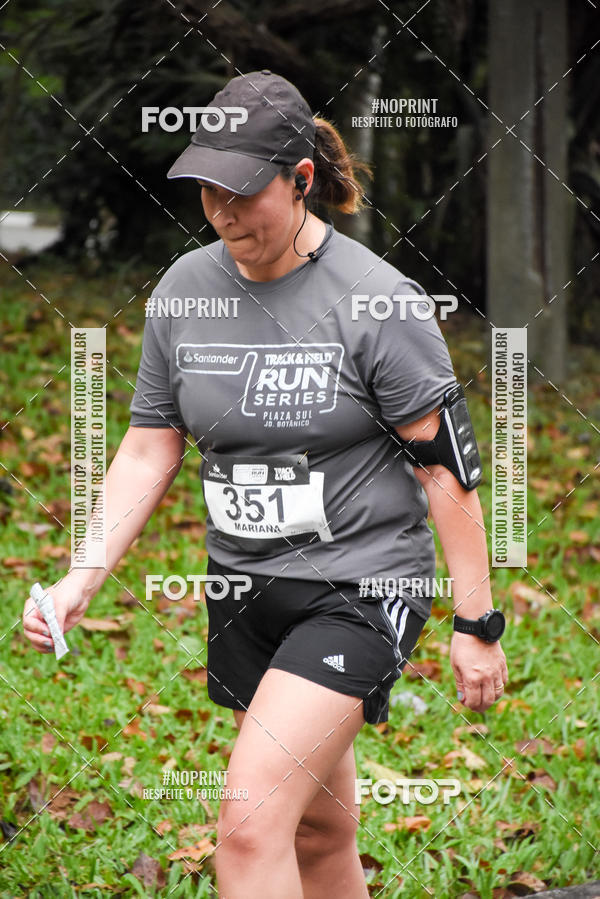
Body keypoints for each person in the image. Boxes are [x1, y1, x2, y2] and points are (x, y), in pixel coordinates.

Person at [23, 70, 508, 899]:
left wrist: (477, 621)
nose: (224, 212)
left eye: (245, 192)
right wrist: (80, 578)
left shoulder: (377, 302)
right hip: (246, 587)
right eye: (208, 190)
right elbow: (148, 449)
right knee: (317, 827)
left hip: (362, 585)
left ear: (302, 179)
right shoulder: (186, 290)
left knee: (247, 827)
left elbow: (446, 470)